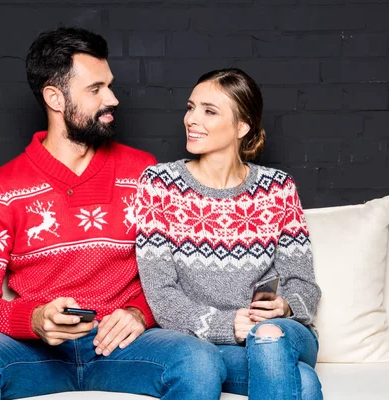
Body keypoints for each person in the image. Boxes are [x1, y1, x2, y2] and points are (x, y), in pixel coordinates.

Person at [0, 27, 225, 400]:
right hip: (34, 352)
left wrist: (138, 313)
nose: (113, 99)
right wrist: (34, 319)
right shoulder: (0, 188)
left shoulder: (144, 173)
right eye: (96, 89)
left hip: (122, 347)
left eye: (110, 85)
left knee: (199, 361)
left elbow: (180, 276)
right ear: (55, 97)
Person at [135, 68, 323, 400]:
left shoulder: (277, 188)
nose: (192, 119)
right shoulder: (160, 184)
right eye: (190, 107)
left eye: (209, 111)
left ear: (242, 126)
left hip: (283, 333)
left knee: (268, 335)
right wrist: (228, 325)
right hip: (207, 343)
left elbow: (304, 284)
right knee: (303, 383)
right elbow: (162, 296)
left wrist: (285, 307)